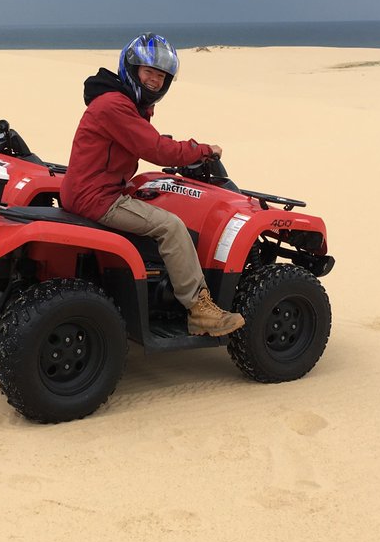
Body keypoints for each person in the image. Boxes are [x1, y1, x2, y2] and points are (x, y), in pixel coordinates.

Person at [59, 32, 245, 337]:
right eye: (149, 73)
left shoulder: (120, 103)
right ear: (131, 70)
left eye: (161, 77)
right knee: (171, 226)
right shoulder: (114, 106)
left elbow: (144, 143)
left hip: (89, 190)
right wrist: (202, 149)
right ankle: (200, 311)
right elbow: (155, 150)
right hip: (97, 198)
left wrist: (168, 146)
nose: (155, 82)